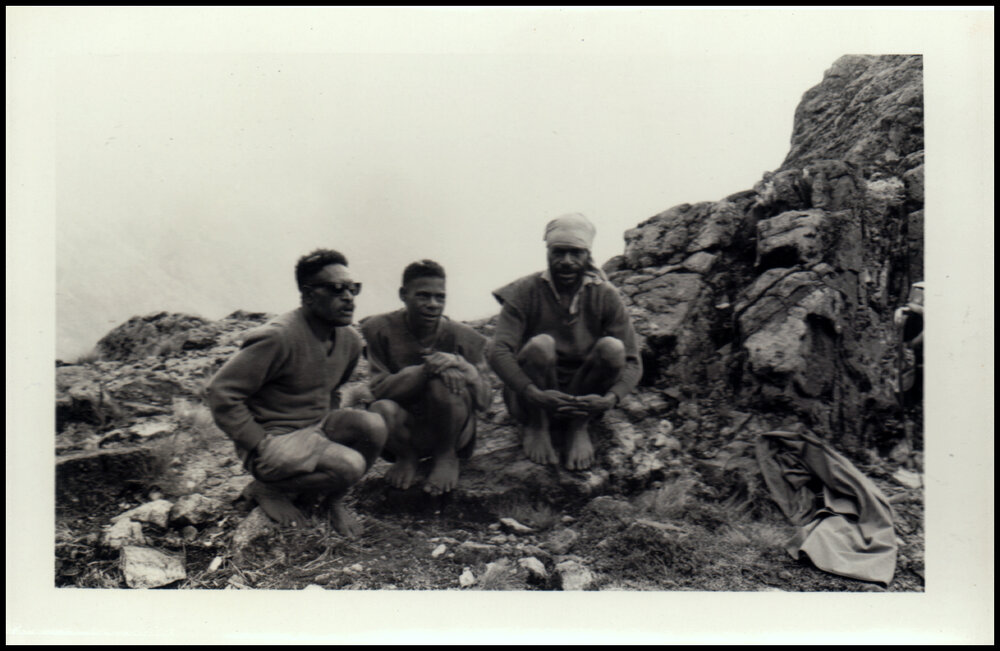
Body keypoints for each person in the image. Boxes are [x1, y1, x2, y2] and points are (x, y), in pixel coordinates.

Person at [206, 249, 387, 538]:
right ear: (308, 294)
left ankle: (331, 501)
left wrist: (328, 427)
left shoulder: (350, 340)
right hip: (275, 439)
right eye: (336, 289)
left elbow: (332, 390)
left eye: (353, 288)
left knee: (374, 426)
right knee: (351, 464)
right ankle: (268, 488)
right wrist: (258, 443)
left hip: (315, 428)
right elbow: (221, 392)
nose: (349, 297)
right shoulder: (277, 337)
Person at [487, 213, 642, 470]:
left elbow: (632, 361)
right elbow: (498, 350)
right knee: (541, 345)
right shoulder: (526, 290)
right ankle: (538, 426)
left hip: (582, 396)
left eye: (576, 253)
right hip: (533, 397)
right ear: (548, 252)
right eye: (558, 252)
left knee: (613, 348)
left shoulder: (604, 295)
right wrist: (531, 392)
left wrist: (611, 399)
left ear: (587, 255)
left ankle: (578, 427)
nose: (566, 261)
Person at [364, 260, 491, 495]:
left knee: (443, 381)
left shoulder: (465, 337)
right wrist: (425, 369)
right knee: (380, 408)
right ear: (403, 295)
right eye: (423, 296)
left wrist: (464, 368)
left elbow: (485, 402)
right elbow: (379, 391)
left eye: (439, 297)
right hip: (406, 431)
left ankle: (445, 456)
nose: (433, 305)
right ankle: (407, 458)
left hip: (453, 429)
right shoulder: (378, 329)